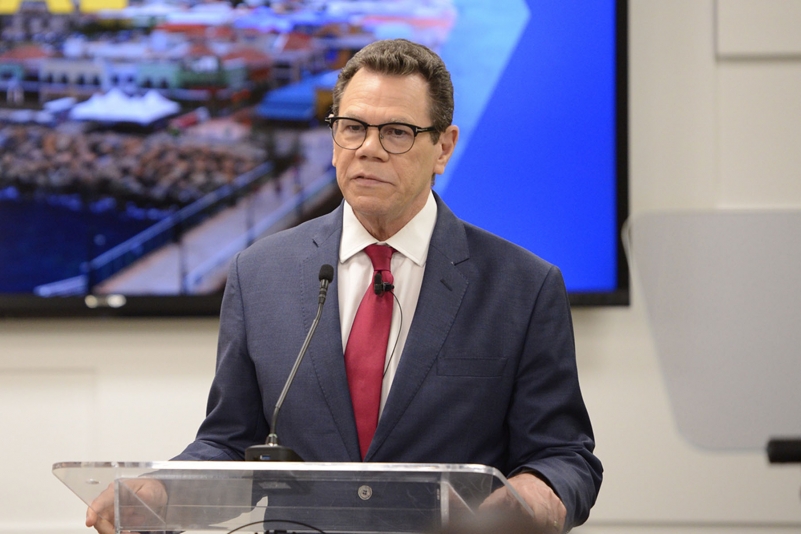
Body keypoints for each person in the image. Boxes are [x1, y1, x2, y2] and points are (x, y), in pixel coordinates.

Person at [87, 38, 601, 534]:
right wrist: (159, 491)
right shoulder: (259, 273)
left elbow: (562, 456)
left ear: (443, 147)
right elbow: (230, 443)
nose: (370, 149)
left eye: (397, 132)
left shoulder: (523, 287)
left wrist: (534, 498)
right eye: (352, 127)